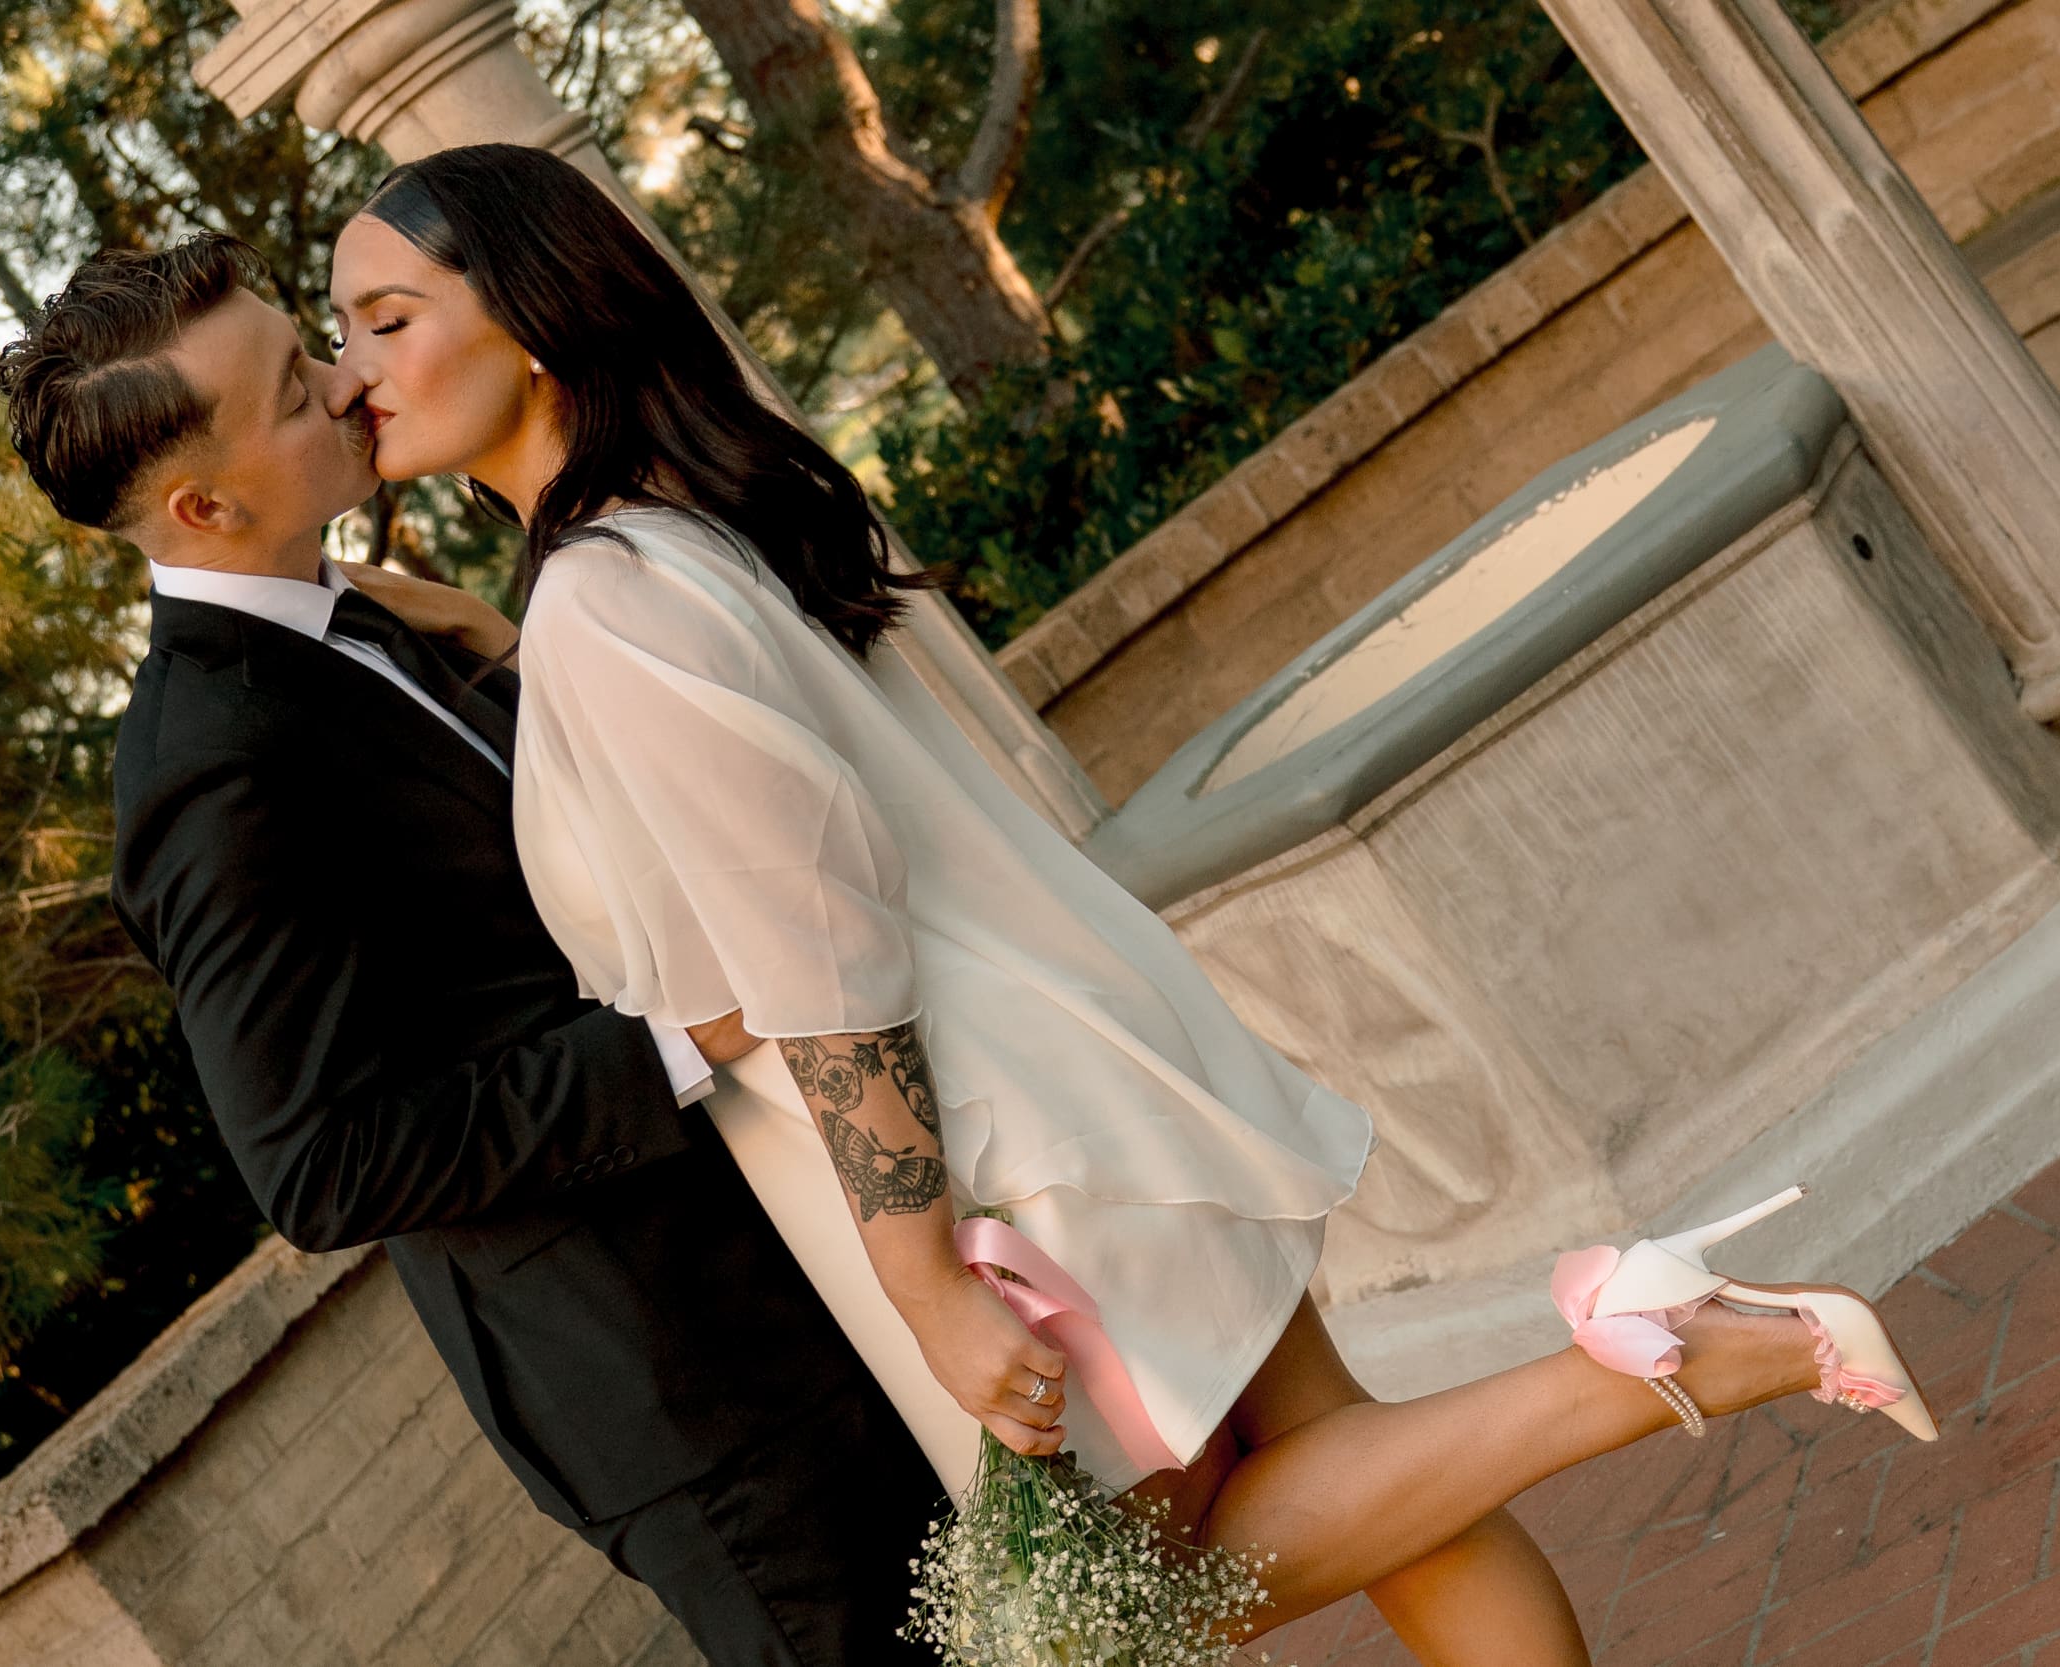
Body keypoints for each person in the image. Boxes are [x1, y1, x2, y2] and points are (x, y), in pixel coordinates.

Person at [325, 140, 1943, 1662]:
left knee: (1125, 1607)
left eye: (387, 320)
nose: (351, 373)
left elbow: (822, 959)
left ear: (534, 322)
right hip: (1077, 1073)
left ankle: (1685, 1353)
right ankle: (1680, 1344)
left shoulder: (612, 602)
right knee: (1373, 1483)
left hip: (996, 1166)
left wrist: (926, 1288)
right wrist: (488, 634)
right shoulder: (696, 531)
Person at [0, 234, 956, 1666]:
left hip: (788, 1253)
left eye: (314, 346)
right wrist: (684, 1039)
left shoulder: (369, 619)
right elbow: (321, 1165)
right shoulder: (210, 768)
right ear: (202, 505)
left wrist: (503, 650)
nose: (347, 381)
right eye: (296, 386)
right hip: (682, 1371)